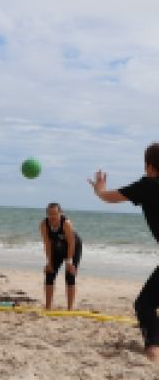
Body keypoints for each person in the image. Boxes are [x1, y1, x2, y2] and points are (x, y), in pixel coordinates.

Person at [88, 142, 159, 361]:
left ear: (148, 166)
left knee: (144, 304)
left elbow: (109, 197)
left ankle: (154, 353)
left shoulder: (147, 185)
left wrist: (99, 188)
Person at [40, 202, 82, 311]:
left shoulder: (66, 223)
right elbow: (47, 244)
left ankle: (70, 308)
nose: (52, 217)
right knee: (49, 273)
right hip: (57, 248)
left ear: (60, 212)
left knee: (70, 274)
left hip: (73, 247)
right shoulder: (44, 224)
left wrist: (69, 261)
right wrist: (49, 262)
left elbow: (71, 242)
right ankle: (48, 307)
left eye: (54, 214)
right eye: (50, 214)